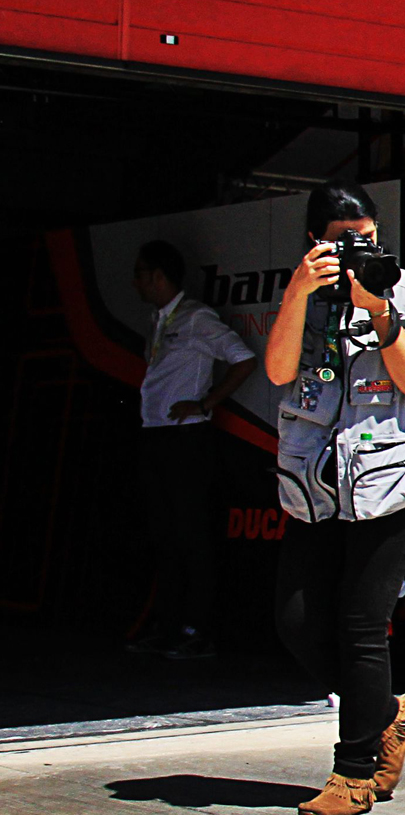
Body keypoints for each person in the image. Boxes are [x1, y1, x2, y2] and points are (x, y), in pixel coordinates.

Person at [263, 181, 405, 815]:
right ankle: (387, 714)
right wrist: (296, 294)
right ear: (315, 241)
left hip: (389, 486)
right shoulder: (303, 295)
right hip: (315, 486)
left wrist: (380, 313)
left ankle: (356, 773)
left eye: (366, 237)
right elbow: (279, 372)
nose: (357, 250)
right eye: (342, 241)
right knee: (297, 621)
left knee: (361, 626)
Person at [128, 239, 259, 659]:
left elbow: (244, 359)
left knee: (191, 536)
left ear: (158, 276)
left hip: (186, 438)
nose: (135, 282)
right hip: (155, 433)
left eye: (140, 273)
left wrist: (205, 403)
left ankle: (197, 629)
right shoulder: (158, 319)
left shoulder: (196, 317)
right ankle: (168, 626)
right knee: (163, 536)